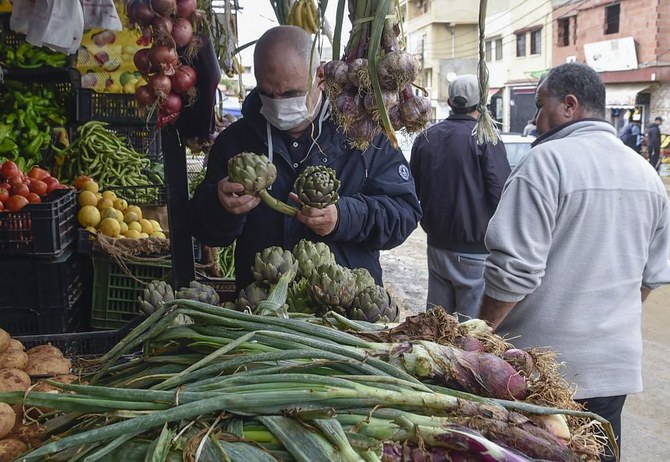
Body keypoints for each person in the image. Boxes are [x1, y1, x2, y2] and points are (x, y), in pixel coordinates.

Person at [479, 63, 670, 461]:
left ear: (569, 105)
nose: (534, 118)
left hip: (539, 375)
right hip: (612, 375)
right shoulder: (647, 175)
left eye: (539, 105)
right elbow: (651, 278)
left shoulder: (544, 164)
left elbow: (513, 272)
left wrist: (480, 335)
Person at [189, 26, 422, 293]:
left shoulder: (364, 135)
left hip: (346, 307)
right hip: (262, 309)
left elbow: (404, 213)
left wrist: (343, 217)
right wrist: (220, 206)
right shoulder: (234, 142)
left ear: (320, 75)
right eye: (267, 93)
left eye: (290, 94)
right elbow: (203, 230)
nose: (278, 104)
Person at [409, 74, 510, 321]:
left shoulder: (426, 138)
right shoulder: (486, 138)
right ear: (481, 104)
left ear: (451, 102)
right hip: (475, 251)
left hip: (436, 246)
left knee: (436, 326)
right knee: (469, 334)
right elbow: (501, 194)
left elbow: (413, 190)